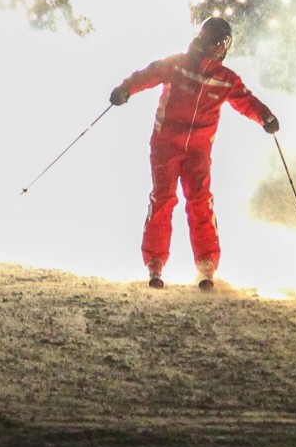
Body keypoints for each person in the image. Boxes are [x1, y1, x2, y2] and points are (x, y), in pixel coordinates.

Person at [109, 17, 279, 289]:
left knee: (200, 200)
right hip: (166, 144)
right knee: (163, 198)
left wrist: (265, 117)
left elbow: (245, 101)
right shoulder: (178, 64)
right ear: (203, 39)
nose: (220, 47)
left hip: (199, 151)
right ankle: (155, 262)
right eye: (216, 41)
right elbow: (148, 74)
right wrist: (125, 89)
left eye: (224, 43)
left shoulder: (226, 79)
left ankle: (206, 264)